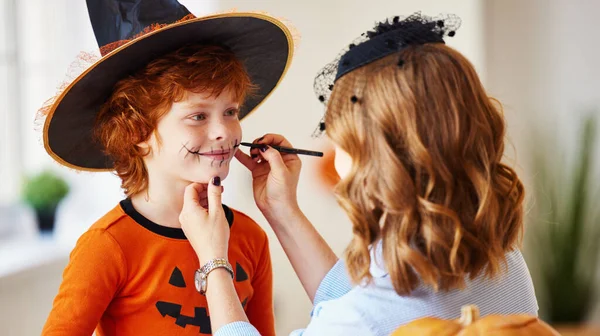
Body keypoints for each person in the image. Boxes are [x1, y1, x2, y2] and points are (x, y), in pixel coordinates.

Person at [179, 13, 538, 335]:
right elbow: (360, 302)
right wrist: (282, 210)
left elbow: (363, 315)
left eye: (342, 144)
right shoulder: (505, 264)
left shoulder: (364, 319)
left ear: (375, 158)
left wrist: (214, 262)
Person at [39, 1, 295, 335]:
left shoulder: (250, 238)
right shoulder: (107, 246)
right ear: (137, 133)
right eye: (198, 116)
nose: (225, 131)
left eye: (230, 111)